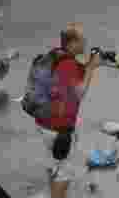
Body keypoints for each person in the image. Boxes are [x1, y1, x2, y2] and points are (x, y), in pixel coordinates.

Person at [34, 23, 101, 178]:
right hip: (57, 127)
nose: (85, 43)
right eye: (82, 40)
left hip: (44, 119)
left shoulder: (57, 54)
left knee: (55, 158)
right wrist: (90, 69)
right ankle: (58, 192)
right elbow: (79, 94)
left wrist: (90, 65)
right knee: (64, 170)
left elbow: (71, 76)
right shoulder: (68, 65)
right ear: (72, 43)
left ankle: (53, 167)